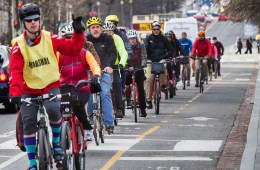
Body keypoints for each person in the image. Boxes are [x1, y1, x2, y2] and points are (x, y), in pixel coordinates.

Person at [9, 3, 85, 170]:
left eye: (36, 19)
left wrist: (78, 33)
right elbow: (15, 72)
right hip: (30, 90)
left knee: (53, 110)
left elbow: (73, 49)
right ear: (24, 23)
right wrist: (15, 93)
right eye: (29, 20)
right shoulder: (18, 46)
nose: (34, 22)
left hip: (51, 86)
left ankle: (56, 143)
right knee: (28, 123)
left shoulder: (50, 38)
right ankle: (32, 163)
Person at [58, 23, 101, 141]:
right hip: (65, 87)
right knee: (56, 107)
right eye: (67, 38)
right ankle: (60, 134)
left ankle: (87, 128)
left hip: (81, 87)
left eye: (73, 38)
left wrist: (96, 75)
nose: (70, 41)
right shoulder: (60, 54)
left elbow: (94, 65)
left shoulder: (84, 53)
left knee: (77, 104)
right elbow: (52, 70)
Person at [86, 17, 117, 133]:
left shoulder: (108, 38)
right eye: (93, 27)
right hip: (90, 74)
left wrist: (109, 65)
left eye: (97, 27)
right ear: (89, 30)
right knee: (88, 93)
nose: (95, 30)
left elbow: (113, 53)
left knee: (104, 94)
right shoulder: (86, 40)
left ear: (101, 28)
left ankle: (109, 124)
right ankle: (90, 118)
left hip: (104, 72)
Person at [105, 15, 134, 104]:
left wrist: (125, 60)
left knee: (121, 73)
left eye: (114, 23)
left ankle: (121, 90)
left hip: (118, 61)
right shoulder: (101, 37)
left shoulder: (121, 35)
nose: (112, 25)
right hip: (104, 64)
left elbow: (127, 48)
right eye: (109, 23)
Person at [102, 22, 128, 119]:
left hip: (114, 66)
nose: (108, 34)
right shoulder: (101, 39)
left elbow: (123, 52)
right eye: (106, 32)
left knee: (117, 83)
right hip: (102, 67)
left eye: (110, 32)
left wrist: (121, 64)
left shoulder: (117, 38)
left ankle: (118, 108)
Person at [145, 21, 173, 109]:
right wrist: (146, 59)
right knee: (149, 78)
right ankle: (148, 100)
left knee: (164, 66)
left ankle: (163, 84)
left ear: (160, 29)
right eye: (154, 29)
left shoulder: (164, 39)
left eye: (157, 29)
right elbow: (145, 50)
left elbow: (171, 49)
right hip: (151, 61)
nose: (156, 31)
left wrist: (167, 56)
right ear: (152, 29)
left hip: (161, 59)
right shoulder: (148, 38)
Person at [126, 29, 147, 117]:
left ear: (136, 38)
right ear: (128, 39)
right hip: (128, 68)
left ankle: (142, 109)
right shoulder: (125, 46)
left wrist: (142, 65)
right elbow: (123, 56)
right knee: (126, 85)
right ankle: (128, 102)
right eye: (131, 38)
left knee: (141, 89)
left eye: (134, 38)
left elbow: (144, 56)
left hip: (139, 68)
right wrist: (125, 66)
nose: (132, 40)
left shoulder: (141, 45)